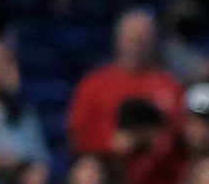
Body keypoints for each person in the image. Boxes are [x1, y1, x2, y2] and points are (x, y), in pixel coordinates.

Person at [65, 10, 185, 162]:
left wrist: (153, 139)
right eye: (131, 38)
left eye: (142, 38)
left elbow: (181, 135)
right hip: (107, 170)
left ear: (153, 42)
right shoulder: (93, 84)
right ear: (118, 39)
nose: (137, 45)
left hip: (158, 173)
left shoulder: (170, 85)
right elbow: (77, 138)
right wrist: (109, 142)